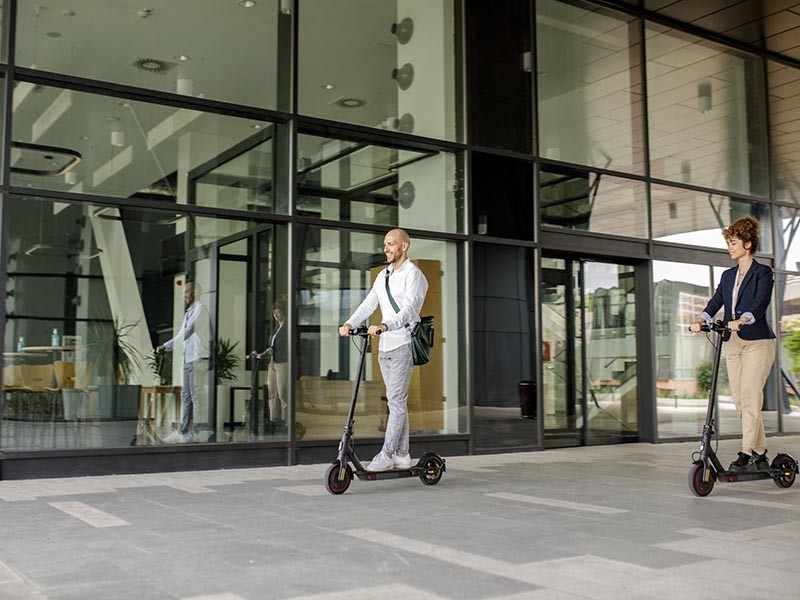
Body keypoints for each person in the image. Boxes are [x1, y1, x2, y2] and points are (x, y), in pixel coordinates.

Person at [689, 216, 775, 472]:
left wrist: (743, 319)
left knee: (749, 397)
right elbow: (717, 301)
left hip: (757, 341)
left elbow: (760, 303)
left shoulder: (763, 272)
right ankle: (760, 451)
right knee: (740, 400)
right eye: (729, 242)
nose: (730, 247)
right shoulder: (728, 276)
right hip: (733, 342)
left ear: (747, 244)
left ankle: (746, 451)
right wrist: (702, 318)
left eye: (734, 242)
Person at [339, 228, 428, 472]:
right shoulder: (383, 275)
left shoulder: (414, 275)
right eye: (384, 244)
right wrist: (350, 323)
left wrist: (386, 325)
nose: (386, 248)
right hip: (384, 345)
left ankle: (387, 453)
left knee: (396, 401)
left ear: (404, 246)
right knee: (396, 402)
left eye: (391, 244)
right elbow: (370, 302)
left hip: (402, 343)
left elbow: (410, 310)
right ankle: (402, 453)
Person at [157, 280, 210, 443]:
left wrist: (169, 345)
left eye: (187, 292)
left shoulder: (201, 309)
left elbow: (188, 331)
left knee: (195, 396)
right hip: (188, 358)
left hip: (197, 357)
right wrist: (166, 345)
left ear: (196, 292)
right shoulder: (189, 311)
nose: (185, 295)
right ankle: (183, 432)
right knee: (186, 396)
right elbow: (181, 334)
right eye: (184, 292)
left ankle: (197, 432)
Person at [256, 299, 288, 434]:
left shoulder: (288, 328)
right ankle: (274, 419)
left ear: (283, 312)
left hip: (283, 362)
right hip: (273, 362)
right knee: (272, 392)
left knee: (283, 393)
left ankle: (287, 421)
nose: (275, 315)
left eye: (278, 312)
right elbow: (272, 347)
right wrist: (263, 354)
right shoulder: (276, 329)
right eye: (274, 313)